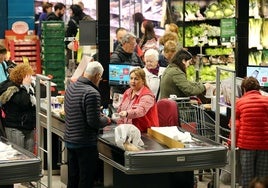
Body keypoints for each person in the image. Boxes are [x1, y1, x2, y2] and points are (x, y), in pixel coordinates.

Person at [64, 61, 111, 188]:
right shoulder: (92, 93)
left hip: (70, 140)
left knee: (73, 178)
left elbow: (70, 110)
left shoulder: (71, 87)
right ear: (97, 76)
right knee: (86, 179)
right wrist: (106, 120)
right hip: (85, 143)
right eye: (100, 78)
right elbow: (93, 122)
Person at [234, 76, 268, 188]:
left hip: (246, 145)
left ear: (244, 89)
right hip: (265, 144)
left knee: (247, 177)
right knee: (263, 177)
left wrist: (231, 142)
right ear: (258, 88)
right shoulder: (266, 101)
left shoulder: (240, 102)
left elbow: (236, 125)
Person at [0, 63, 36, 153]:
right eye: (28, 75)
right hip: (15, 127)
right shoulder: (10, 88)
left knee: (29, 157)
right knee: (18, 156)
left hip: (28, 126)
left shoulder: (28, 88)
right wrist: (26, 86)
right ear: (22, 76)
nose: (30, 78)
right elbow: (23, 102)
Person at [116, 68, 159, 133]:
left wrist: (127, 113)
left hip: (145, 133)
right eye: (131, 78)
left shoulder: (147, 96)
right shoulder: (128, 92)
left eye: (136, 79)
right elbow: (120, 110)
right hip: (128, 130)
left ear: (143, 81)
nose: (133, 81)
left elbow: (140, 111)